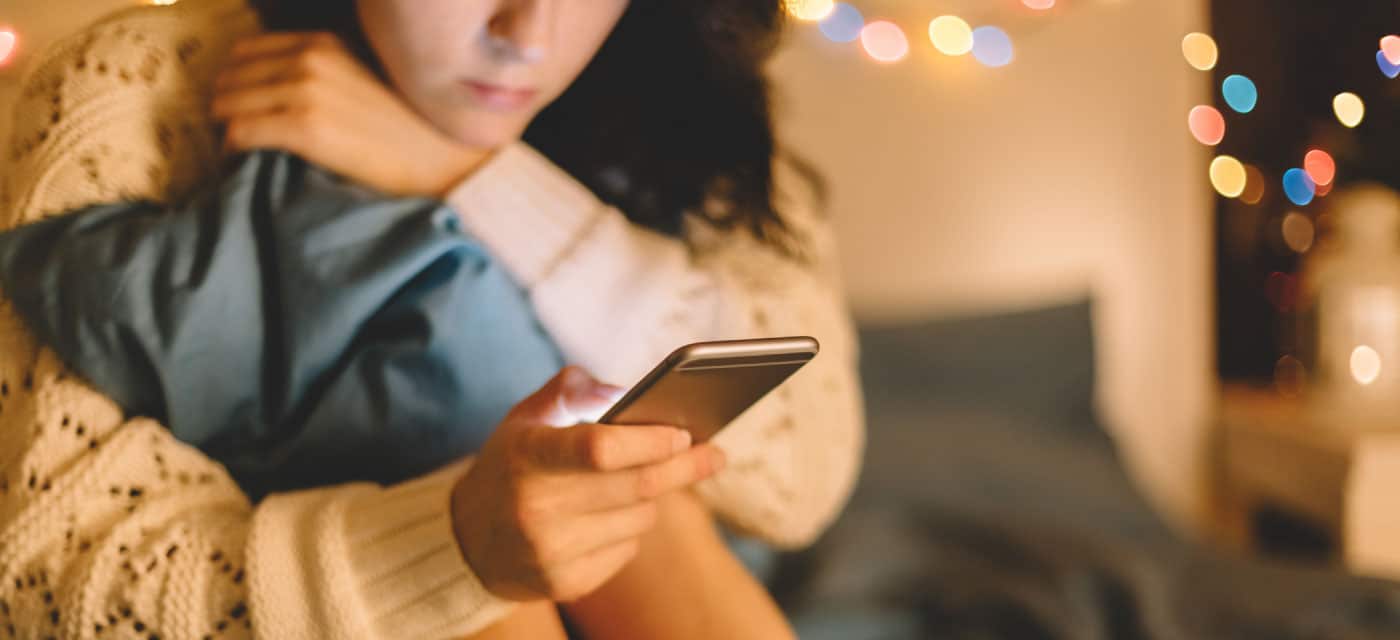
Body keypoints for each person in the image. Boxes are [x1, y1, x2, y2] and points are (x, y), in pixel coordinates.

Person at [0, 0, 864, 637]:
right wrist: (451, 547)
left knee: (625, 489)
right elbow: (40, 579)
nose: (528, 32)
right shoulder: (146, 81)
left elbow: (804, 478)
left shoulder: (699, 104)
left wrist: (462, 172)